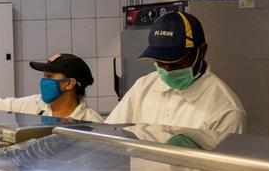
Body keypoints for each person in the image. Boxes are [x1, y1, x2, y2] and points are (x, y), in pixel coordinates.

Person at [105, 11, 245, 133]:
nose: (167, 71)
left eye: (177, 63)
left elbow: (220, 163)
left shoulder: (225, 110)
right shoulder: (143, 87)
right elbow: (111, 134)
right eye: (160, 63)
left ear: (201, 52)